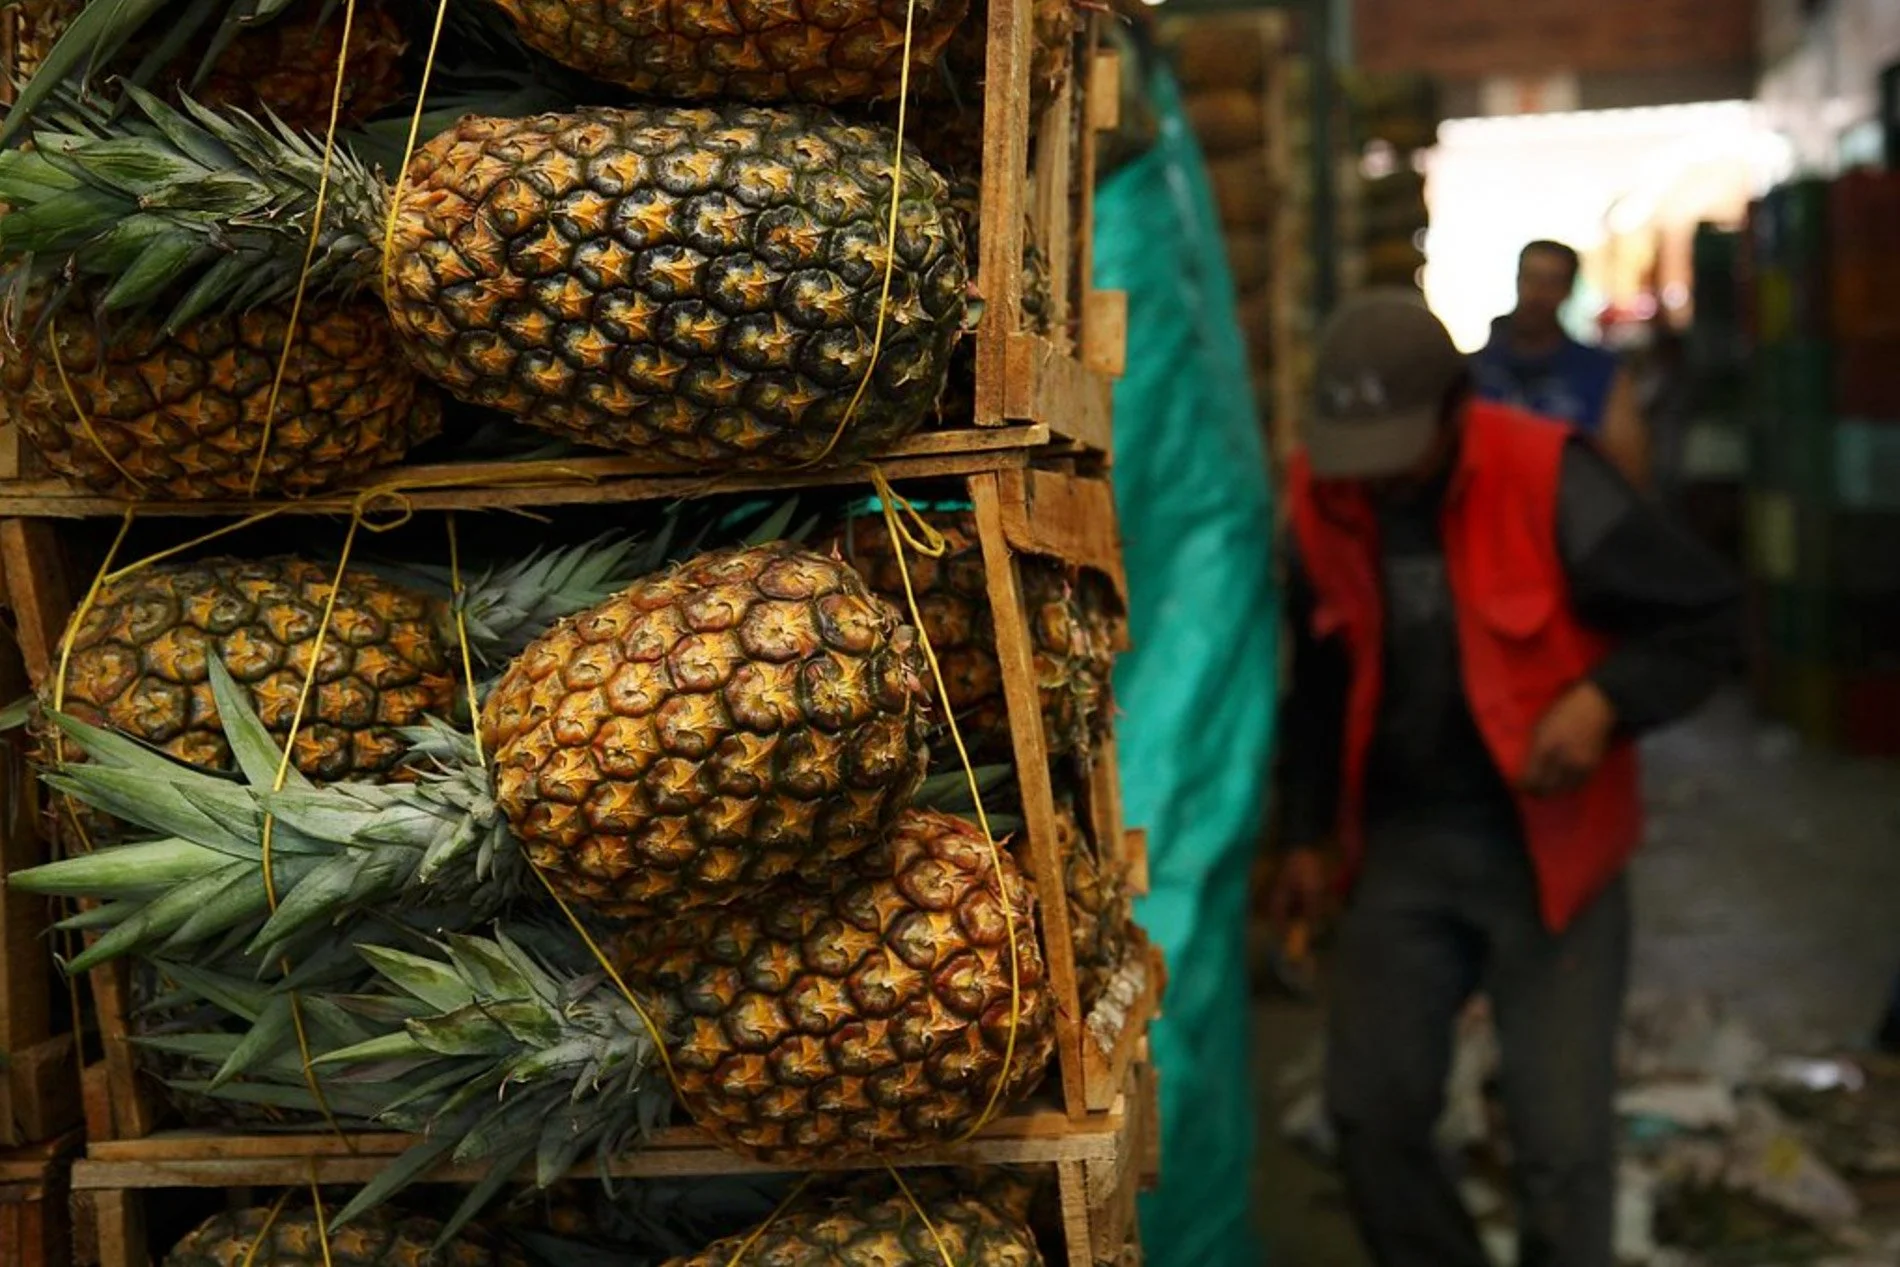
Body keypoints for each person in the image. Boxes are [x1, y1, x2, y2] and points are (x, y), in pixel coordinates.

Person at [1271, 292, 1740, 1267]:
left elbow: (1707, 620)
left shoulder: (1548, 474)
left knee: (1561, 1145)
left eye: (1400, 447)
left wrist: (1601, 700)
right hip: (1399, 843)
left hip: (1550, 849)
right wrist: (1305, 833)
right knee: (1370, 1113)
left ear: (1455, 410)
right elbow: (1316, 680)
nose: (1378, 478)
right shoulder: (1324, 497)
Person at [1474, 240, 1649, 484]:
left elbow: (1630, 470)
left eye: (1551, 282)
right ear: (1517, 280)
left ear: (1568, 291)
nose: (1537, 293)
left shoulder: (1601, 371)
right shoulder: (1475, 370)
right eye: (1531, 278)